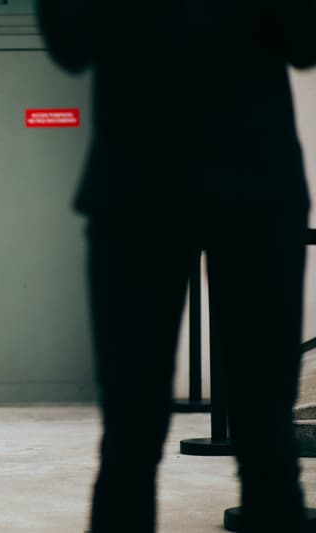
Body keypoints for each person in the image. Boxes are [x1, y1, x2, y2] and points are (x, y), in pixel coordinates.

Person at [37, 1, 316, 531]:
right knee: (225, 433)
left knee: (147, 436)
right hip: (221, 177)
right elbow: (70, 42)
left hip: (167, 181)